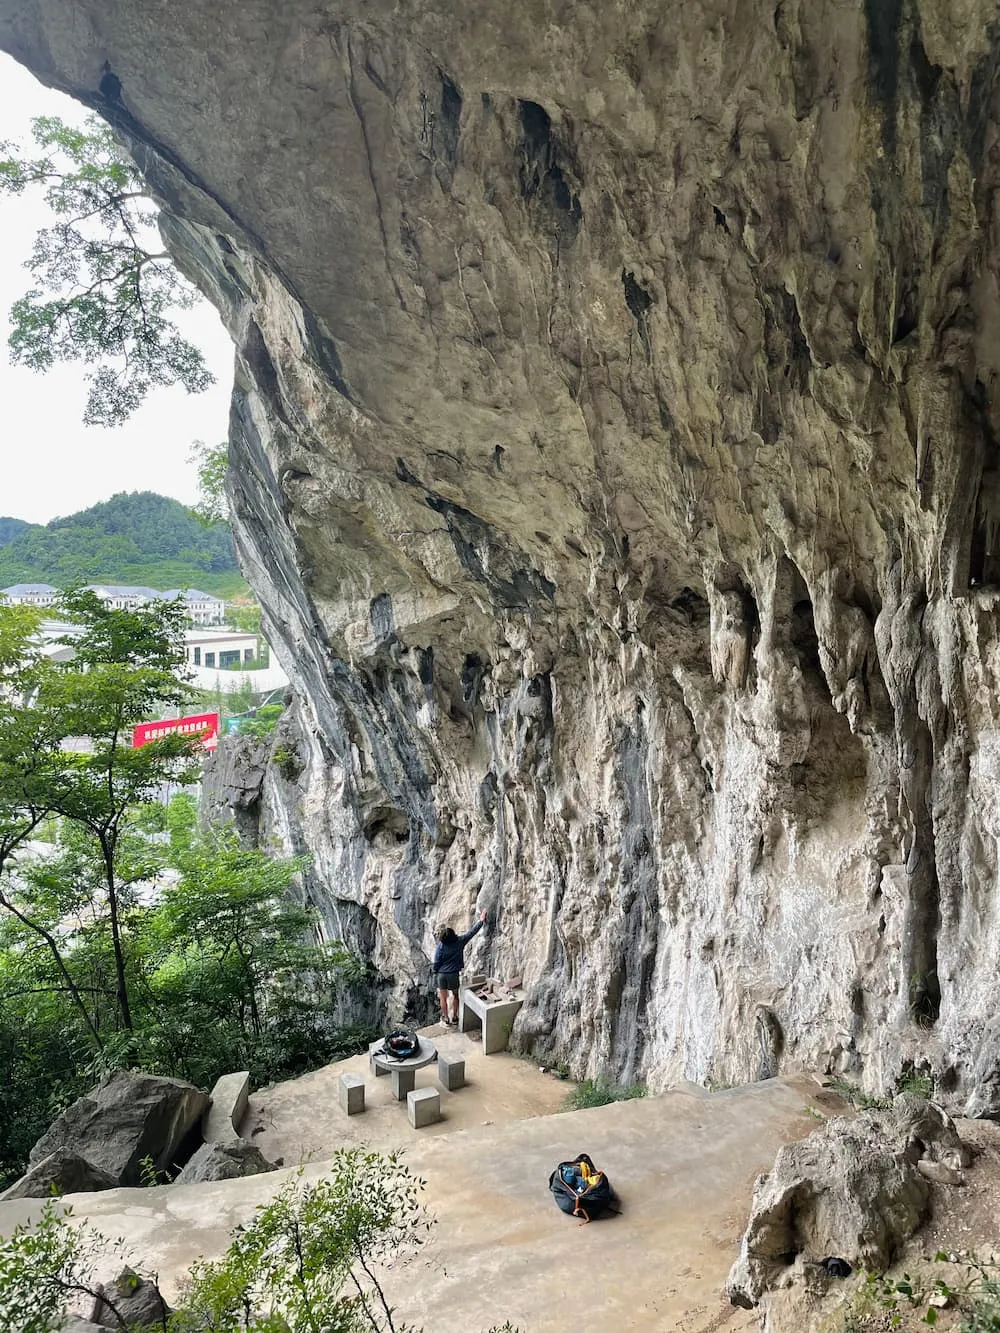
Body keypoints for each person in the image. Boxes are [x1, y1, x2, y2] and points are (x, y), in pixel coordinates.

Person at [433, 910, 487, 1026]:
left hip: (442, 975)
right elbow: (471, 933)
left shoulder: (440, 947)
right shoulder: (459, 942)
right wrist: (481, 921)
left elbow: (436, 962)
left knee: (443, 997)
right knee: (455, 995)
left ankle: (446, 1018)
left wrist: (435, 972)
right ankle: (455, 1017)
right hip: (453, 974)